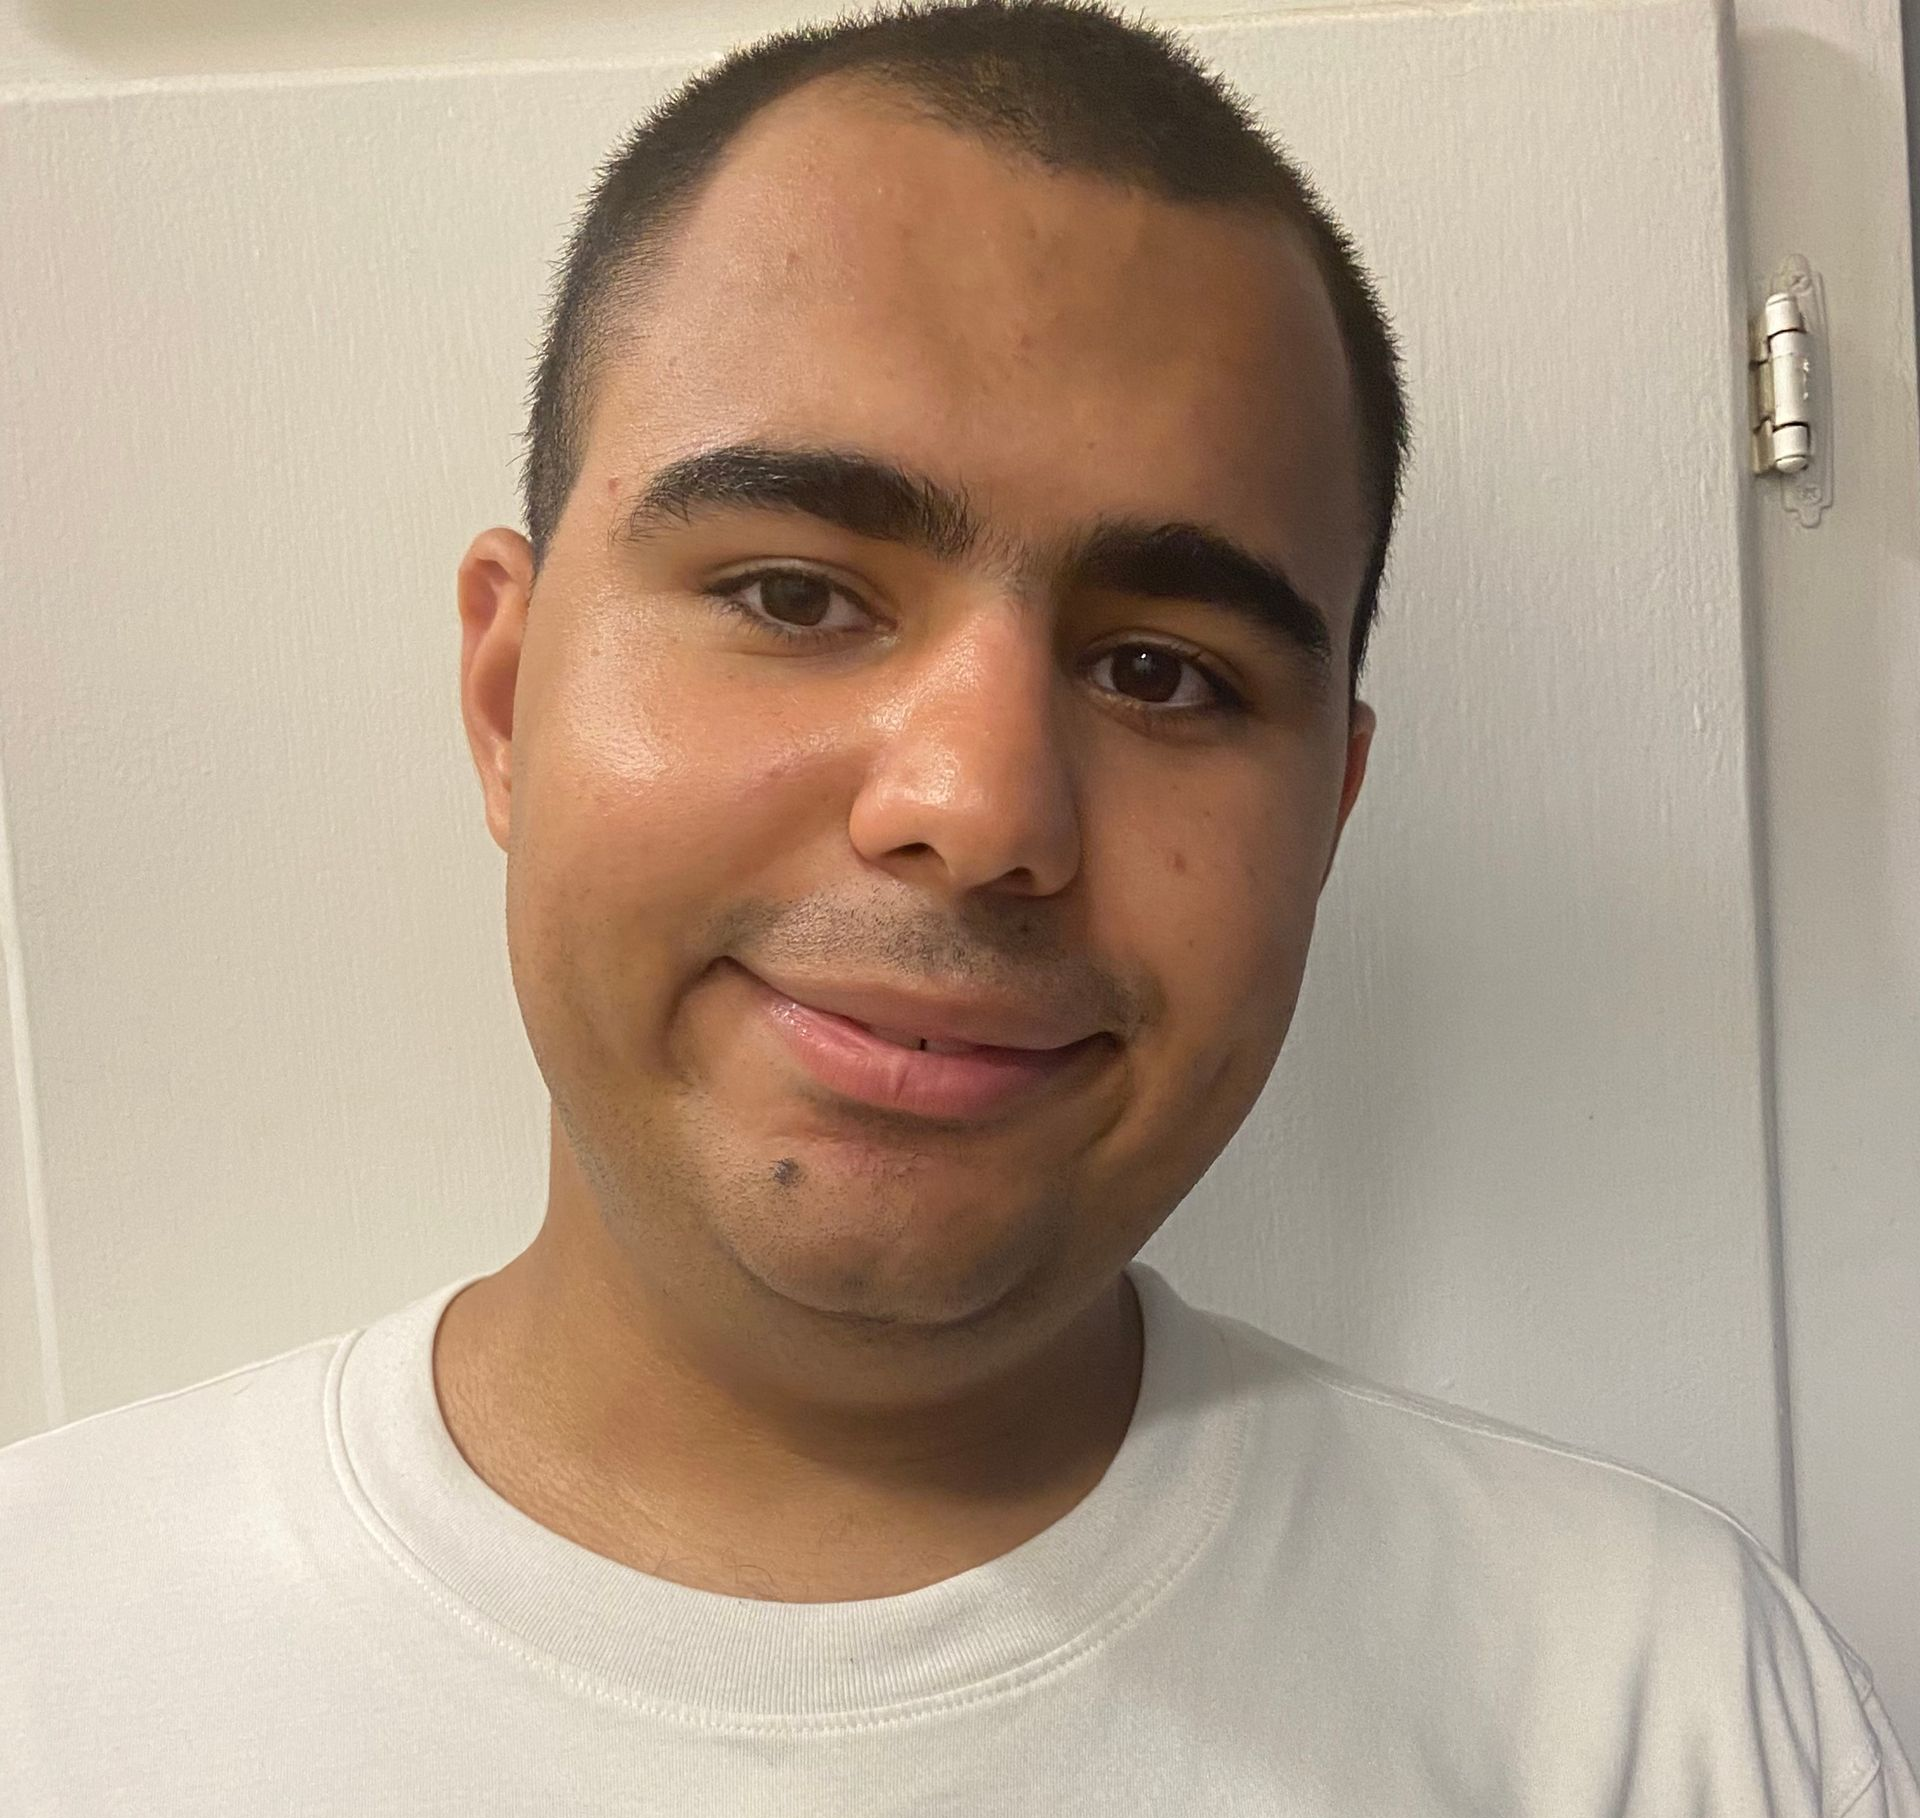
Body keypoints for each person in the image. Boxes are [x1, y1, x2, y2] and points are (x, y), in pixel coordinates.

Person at [4, 0, 1916, 1810]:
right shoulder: (54, 1670)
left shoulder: (1662, 1712)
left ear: (1327, 813)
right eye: (794, 594)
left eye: (1165, 672)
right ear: (509, 700)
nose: (981, 807)